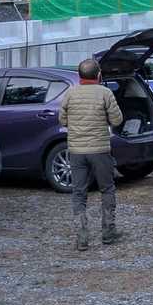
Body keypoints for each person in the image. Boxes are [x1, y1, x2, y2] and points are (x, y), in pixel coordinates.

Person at [58, 58, 124, 251]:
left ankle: (82, 238)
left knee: (79, 192)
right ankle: (108, 232)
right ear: (99, 75)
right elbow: (117, 120)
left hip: (77, 151)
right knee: (107, 189)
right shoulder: (105, 93)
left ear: (79, 75)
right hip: (100, 150)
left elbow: (62, 120)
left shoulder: (70, 93)